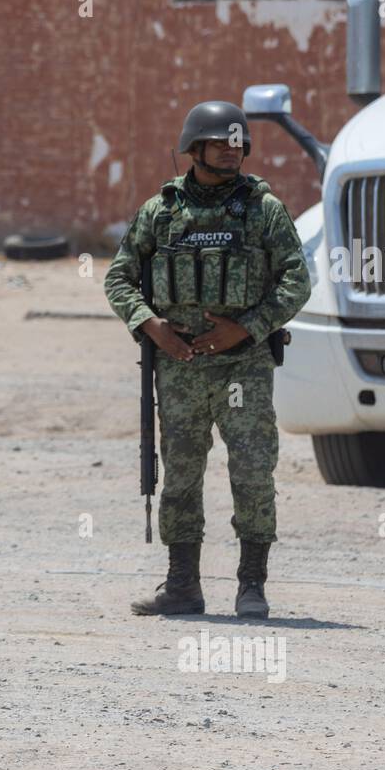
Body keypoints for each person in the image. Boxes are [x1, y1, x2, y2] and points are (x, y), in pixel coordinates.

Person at [102, 101, 310, 619]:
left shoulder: (264, 209)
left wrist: (248, 327)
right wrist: (151, 327)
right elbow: (119, 277)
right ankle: (182, 586)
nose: (232, 151)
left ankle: (252, 585)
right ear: (194, 149)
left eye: (238, 143)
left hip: (244, 366)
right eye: (221, 143)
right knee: (180, 477)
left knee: (253, 473)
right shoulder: (161, 212)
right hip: (180, 367)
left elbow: (296, 281)